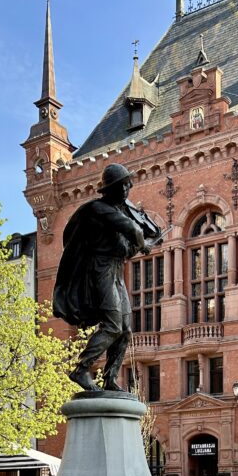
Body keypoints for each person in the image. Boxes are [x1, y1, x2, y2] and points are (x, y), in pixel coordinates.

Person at [53, 163, 160, 394]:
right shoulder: (99, 209)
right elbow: (134, 231)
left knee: (125, 330)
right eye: (119, 186)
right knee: (112, 325)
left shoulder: (116, 211)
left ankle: (110, 378)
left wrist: (141, 246)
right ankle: (81, 369)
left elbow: (124, 249)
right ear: (108, 189)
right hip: (99, 271)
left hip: (115, 271)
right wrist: (144, 245)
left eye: (127, 185)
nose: (125, 191)